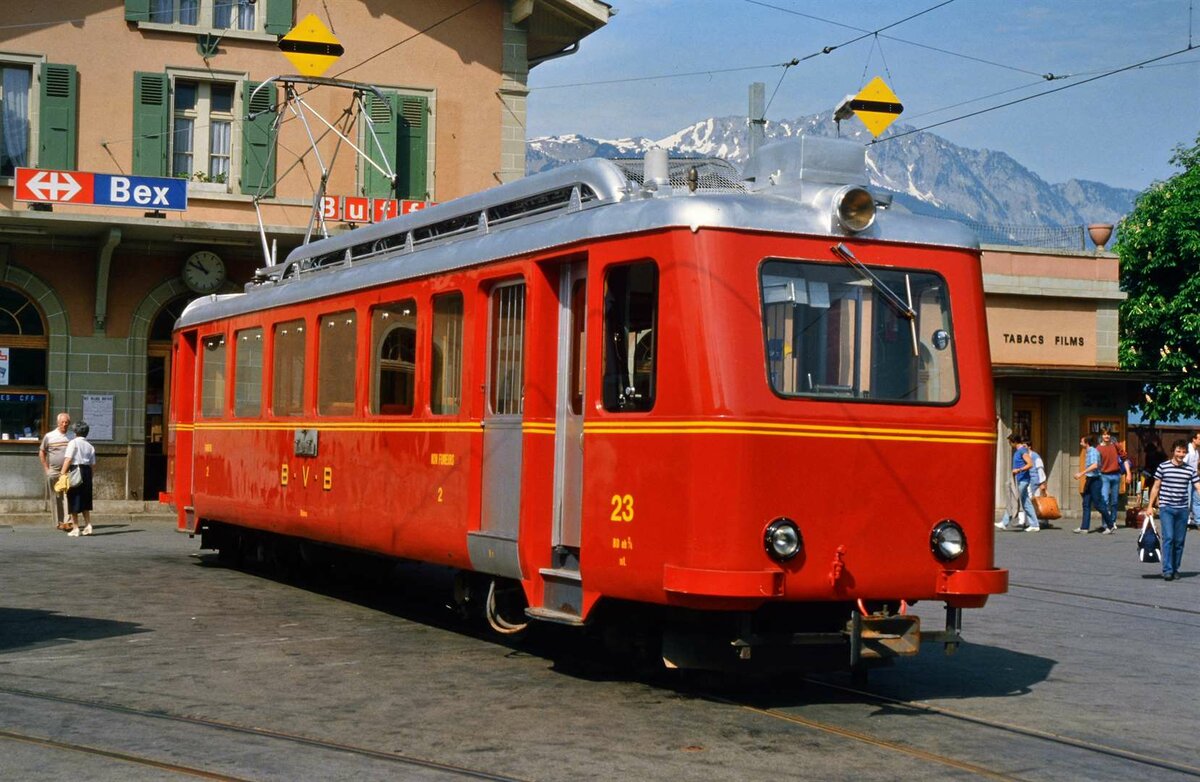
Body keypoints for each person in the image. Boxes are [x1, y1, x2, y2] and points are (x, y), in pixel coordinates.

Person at [1148, 438, 1200, 581]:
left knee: (1179, 541)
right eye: (1178, 451)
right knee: (1169, 538)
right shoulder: (1163, 467)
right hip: (1167, 508)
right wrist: (1150, 507)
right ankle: (1167, 570)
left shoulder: (1189, 470)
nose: (1181, 454)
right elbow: (1156, 487)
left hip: (1182, 510)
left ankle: (1175, 567)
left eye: (1183, 452)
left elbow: (1198, 486)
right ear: (1173, 451)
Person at [996, 433, 1039, 531]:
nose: (1009, 444)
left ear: (1014, 442)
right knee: (1023, 501)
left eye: (1010, 442)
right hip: (1019, 480)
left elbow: (1030, 464)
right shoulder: (1019, 451)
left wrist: (1019, 470)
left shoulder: (1022, 451)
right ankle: (1034, 524)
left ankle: (1005, 522)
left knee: (1016, 500)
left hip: (1023, 480)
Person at [38, 412, 74, 530]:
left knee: (68, 496)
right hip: (53, 471)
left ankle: (68, 522)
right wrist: (46, 469)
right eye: (62, 422)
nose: (64, 424)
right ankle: (58, 522)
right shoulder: (50, 436)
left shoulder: (72, 436)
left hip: (68, 471)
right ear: (58, 423)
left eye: (66, 422)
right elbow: (42, 452)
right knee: (55, 497)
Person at [60, 421, 97, 537]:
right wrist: (91, 476)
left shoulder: (73, 443)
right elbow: (92, 464)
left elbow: (68, 459)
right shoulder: (90, 446)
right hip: (87, 471)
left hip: (76, 470)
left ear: (76, 432)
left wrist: (62, 473)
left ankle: (75, 528)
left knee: (74, 498)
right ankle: (88, 525)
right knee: (85, 499)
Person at [1073, 435, 1113, 533]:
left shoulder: (1093, 452)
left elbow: (1095, 465)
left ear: (1087, 443)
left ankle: (1110, 525)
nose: (1080, 443)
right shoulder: (1088, 452)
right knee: (1086, 503)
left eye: (1082, 441)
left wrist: (1081, 473)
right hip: (1089, 479)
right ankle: (1084, 527)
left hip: (1095, 480)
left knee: (1098, 504)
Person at [1096, 428, 1124, 527]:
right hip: (1104, 476)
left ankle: (1113, 521)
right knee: (1105, 500)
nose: (1106, 436)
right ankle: (1105, 523)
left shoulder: (1115, 446)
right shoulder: (1098, 448)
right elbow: (1096, 463)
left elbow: (1124, 455)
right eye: (1104, 434)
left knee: (1115, 501)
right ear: (1101, 436)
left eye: (1108, 434)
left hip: (1116, 475)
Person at [1186, 430, 1200, 530]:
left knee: (1197, 500)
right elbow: (1183, 464)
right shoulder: (1188, 450)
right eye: (1199, 438)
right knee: (1188, 501)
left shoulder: (1196, 451)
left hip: (1195, 479)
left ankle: (1198, 521)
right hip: (1187, 479)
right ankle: (1185, 522)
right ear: (1193, 439)